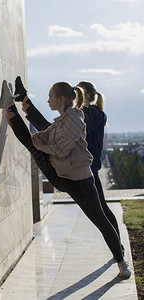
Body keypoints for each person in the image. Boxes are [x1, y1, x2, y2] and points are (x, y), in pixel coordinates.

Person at [0, 78, 131, 278]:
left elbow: (61, 148)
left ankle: (121, 261)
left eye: (51, 96)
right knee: (30, 141)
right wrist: (36, 140)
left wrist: (40, 144)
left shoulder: (81, 117)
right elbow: (47, 132)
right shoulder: (62, 120)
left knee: (100, 218)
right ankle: (11, 106)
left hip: (83, 179)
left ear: (62, 99)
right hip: (62, 174)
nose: (49, 99)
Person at [76, 81, 124, 253]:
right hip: (83, 166)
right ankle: (118, 246)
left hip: (90, 166)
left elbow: (80, 129)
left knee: (102, 208)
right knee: (100, 208)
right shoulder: (82, 113)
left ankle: (118, 246)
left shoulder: (95, 114)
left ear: (86, 94)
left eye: (77, 91)